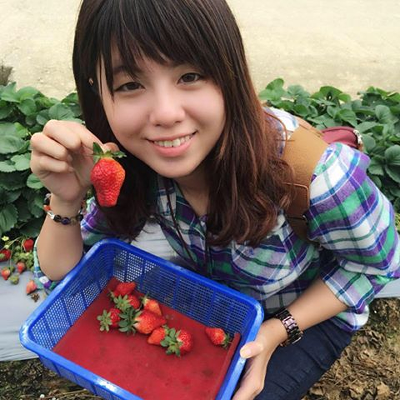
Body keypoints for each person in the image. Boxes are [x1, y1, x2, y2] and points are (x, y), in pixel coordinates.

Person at [30, 0, 400, 399]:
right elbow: (67, 277)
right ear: (97, 93)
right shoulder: (130, 162)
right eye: (130, 85)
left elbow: (377, 263)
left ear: (230, 73)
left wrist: (277, 330)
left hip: (305, 310)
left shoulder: (314, 177)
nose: (166, 114)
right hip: (216, 302)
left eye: (190, 76)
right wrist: (65, 200)